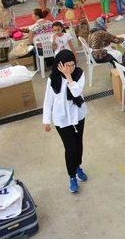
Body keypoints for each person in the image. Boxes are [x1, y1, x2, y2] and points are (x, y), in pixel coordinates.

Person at [43, 50, 88, 193]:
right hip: (61, 119)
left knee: (78, 144)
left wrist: (69, 76)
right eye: (66, 66)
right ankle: (72, 177)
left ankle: (77, 166)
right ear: (59, 65)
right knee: (70, 148)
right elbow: (48, 101)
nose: (70, 68)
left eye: (72, 65)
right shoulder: (53, 79)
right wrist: (46, 120)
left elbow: (76, 93)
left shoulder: (79, 74)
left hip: (78, 115)